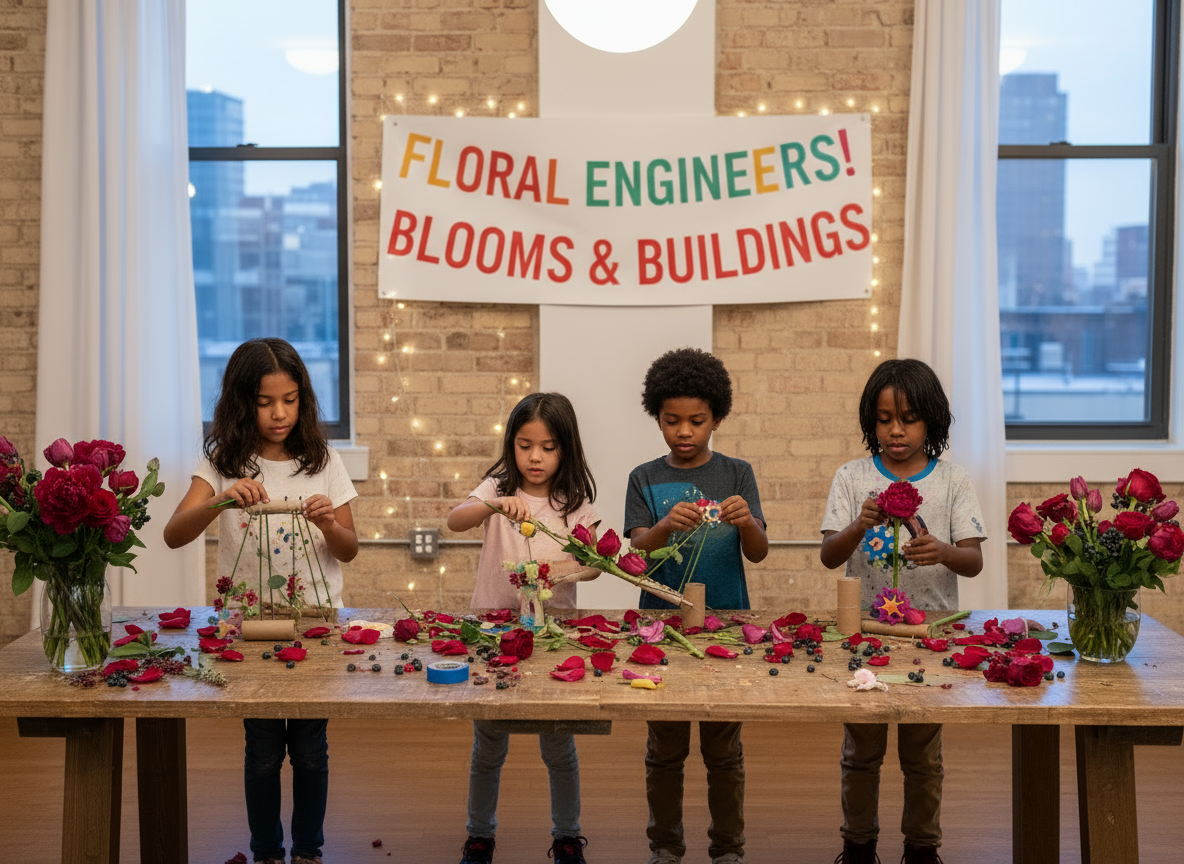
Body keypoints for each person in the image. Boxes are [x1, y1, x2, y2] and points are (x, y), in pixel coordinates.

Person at [164, 338, 358, 864]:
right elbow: (174, 534)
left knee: (312, 751)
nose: (279, 414)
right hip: (248, 627)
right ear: (241, 400)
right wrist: (225, 496)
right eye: (265, 402)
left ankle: (310, 851)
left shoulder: (323, 460)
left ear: (304, 398)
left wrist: (328, 523)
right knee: (263, 753)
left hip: (316, 622)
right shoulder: (223, 461)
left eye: (290, 400)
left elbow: (350, 547)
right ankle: (268, 851)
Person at [820, 358, 986, 864]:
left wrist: (941, 551)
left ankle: (921, 848)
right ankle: (858, 845)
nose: (896, 430)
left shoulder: (954, 481)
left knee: (923, 756)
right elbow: (830, 555)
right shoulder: (851, 477)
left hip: (932, 640)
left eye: (909, 418)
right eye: (885, 418)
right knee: (862, 753)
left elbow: (974, 561)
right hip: (865, 635)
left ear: (931, 421)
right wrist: (857, 525)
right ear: (871, 421)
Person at [624, 347, 768, 864]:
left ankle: (728, 848)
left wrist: (747, 520)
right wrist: (664, 527)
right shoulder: (643, 477)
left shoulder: (737, 473)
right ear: (657, 418)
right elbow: (634, 553)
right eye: (671, 421)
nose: (684, 432)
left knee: (724, 751)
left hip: (727, 624)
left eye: (697, 421)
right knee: (664, 750)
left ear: (718, 418)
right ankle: (665, 845)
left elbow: (759, 551)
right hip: (659, 629)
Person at [446, 392, 601, 864]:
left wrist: (566, 570)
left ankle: (568, 836)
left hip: (554, 637)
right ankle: (479, 836)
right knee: (489, 742)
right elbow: (455, 521)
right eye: (525, 444)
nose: (535, 457)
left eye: (548, 447)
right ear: (511, 445)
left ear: (566, 449)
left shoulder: (574, 501)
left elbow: (595, 565)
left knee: (559, 743)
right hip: (494, 630)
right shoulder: (498, 485)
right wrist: (495, 506)